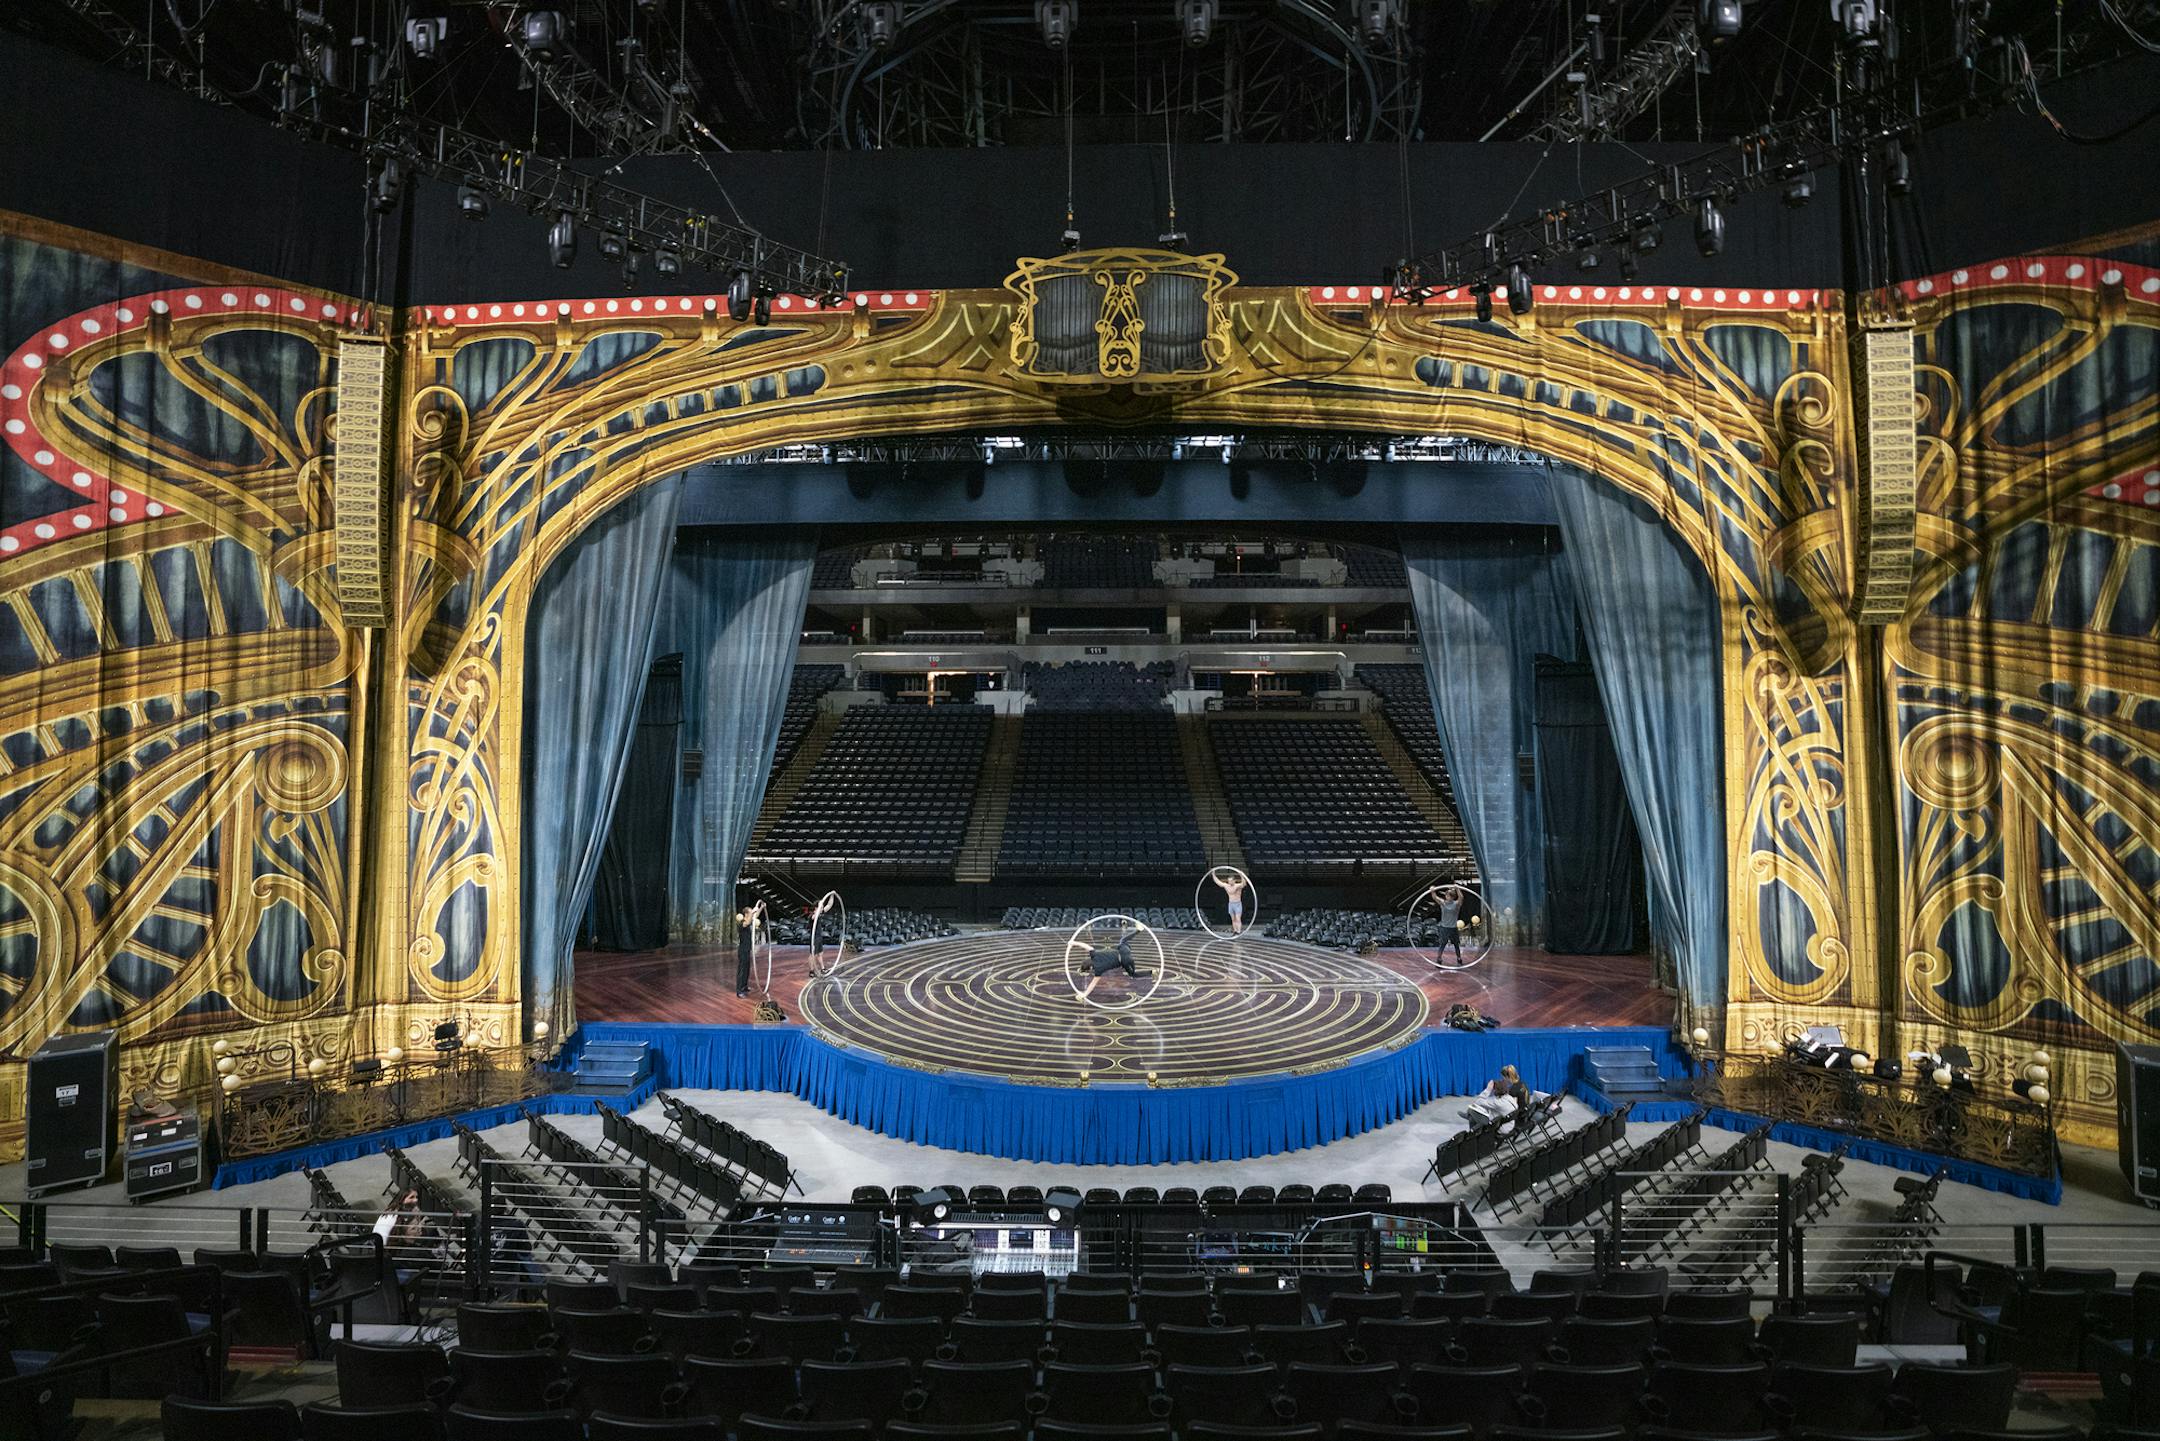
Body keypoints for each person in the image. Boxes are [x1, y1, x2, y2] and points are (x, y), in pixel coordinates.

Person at [1075, 926, 1142, 1000]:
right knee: (1123, 940)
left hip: (1125, 960)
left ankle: (1152, 972)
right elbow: (1086, 946)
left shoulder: (1098, 970)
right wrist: (1074, 943)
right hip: (1124, 951)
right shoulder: (1094, 955)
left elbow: (1093, 984)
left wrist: (1084, 994)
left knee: (1133, 974)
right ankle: (1138, 930)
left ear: (1091, 967)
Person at [1464, 1064, 1530, 1124]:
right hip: (1524, 1113)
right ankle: (1470, 1113)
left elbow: (1511, 1109)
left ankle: (1470, 1114)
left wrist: (1488, 1090)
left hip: (1518, 1118)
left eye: (1503, 1078)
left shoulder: (1513, 1091)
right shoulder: (1522, 1084)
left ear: (1507, 1077)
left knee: (1489, 1106)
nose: (1502, 1079)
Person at [735, 899, 765, 997]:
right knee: (742, 970)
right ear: (746, 914)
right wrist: (753, 911)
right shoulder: (742, 923)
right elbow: (747, 922)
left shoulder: (750, 920)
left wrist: (761, 908)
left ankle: (744, 986)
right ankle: (739, 991)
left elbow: (755, 916)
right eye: (750, 912)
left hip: (747, 950)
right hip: (743, 950)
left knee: (747, 969)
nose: (752, 914)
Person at [1213, 868, 1248, 934]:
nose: (1230, 882)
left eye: (1231, 881)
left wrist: (1241, 875)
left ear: (1234, 881)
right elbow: (1218, 882)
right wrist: (1213, 874)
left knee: (1238, 918)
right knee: (1233, 919)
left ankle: (1239, 931)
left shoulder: (1237, 886)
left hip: (1237, 904)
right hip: (1231, 904)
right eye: (1229, 881)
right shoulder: (1227, 886)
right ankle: (1235, 931)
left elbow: (1244, 884)